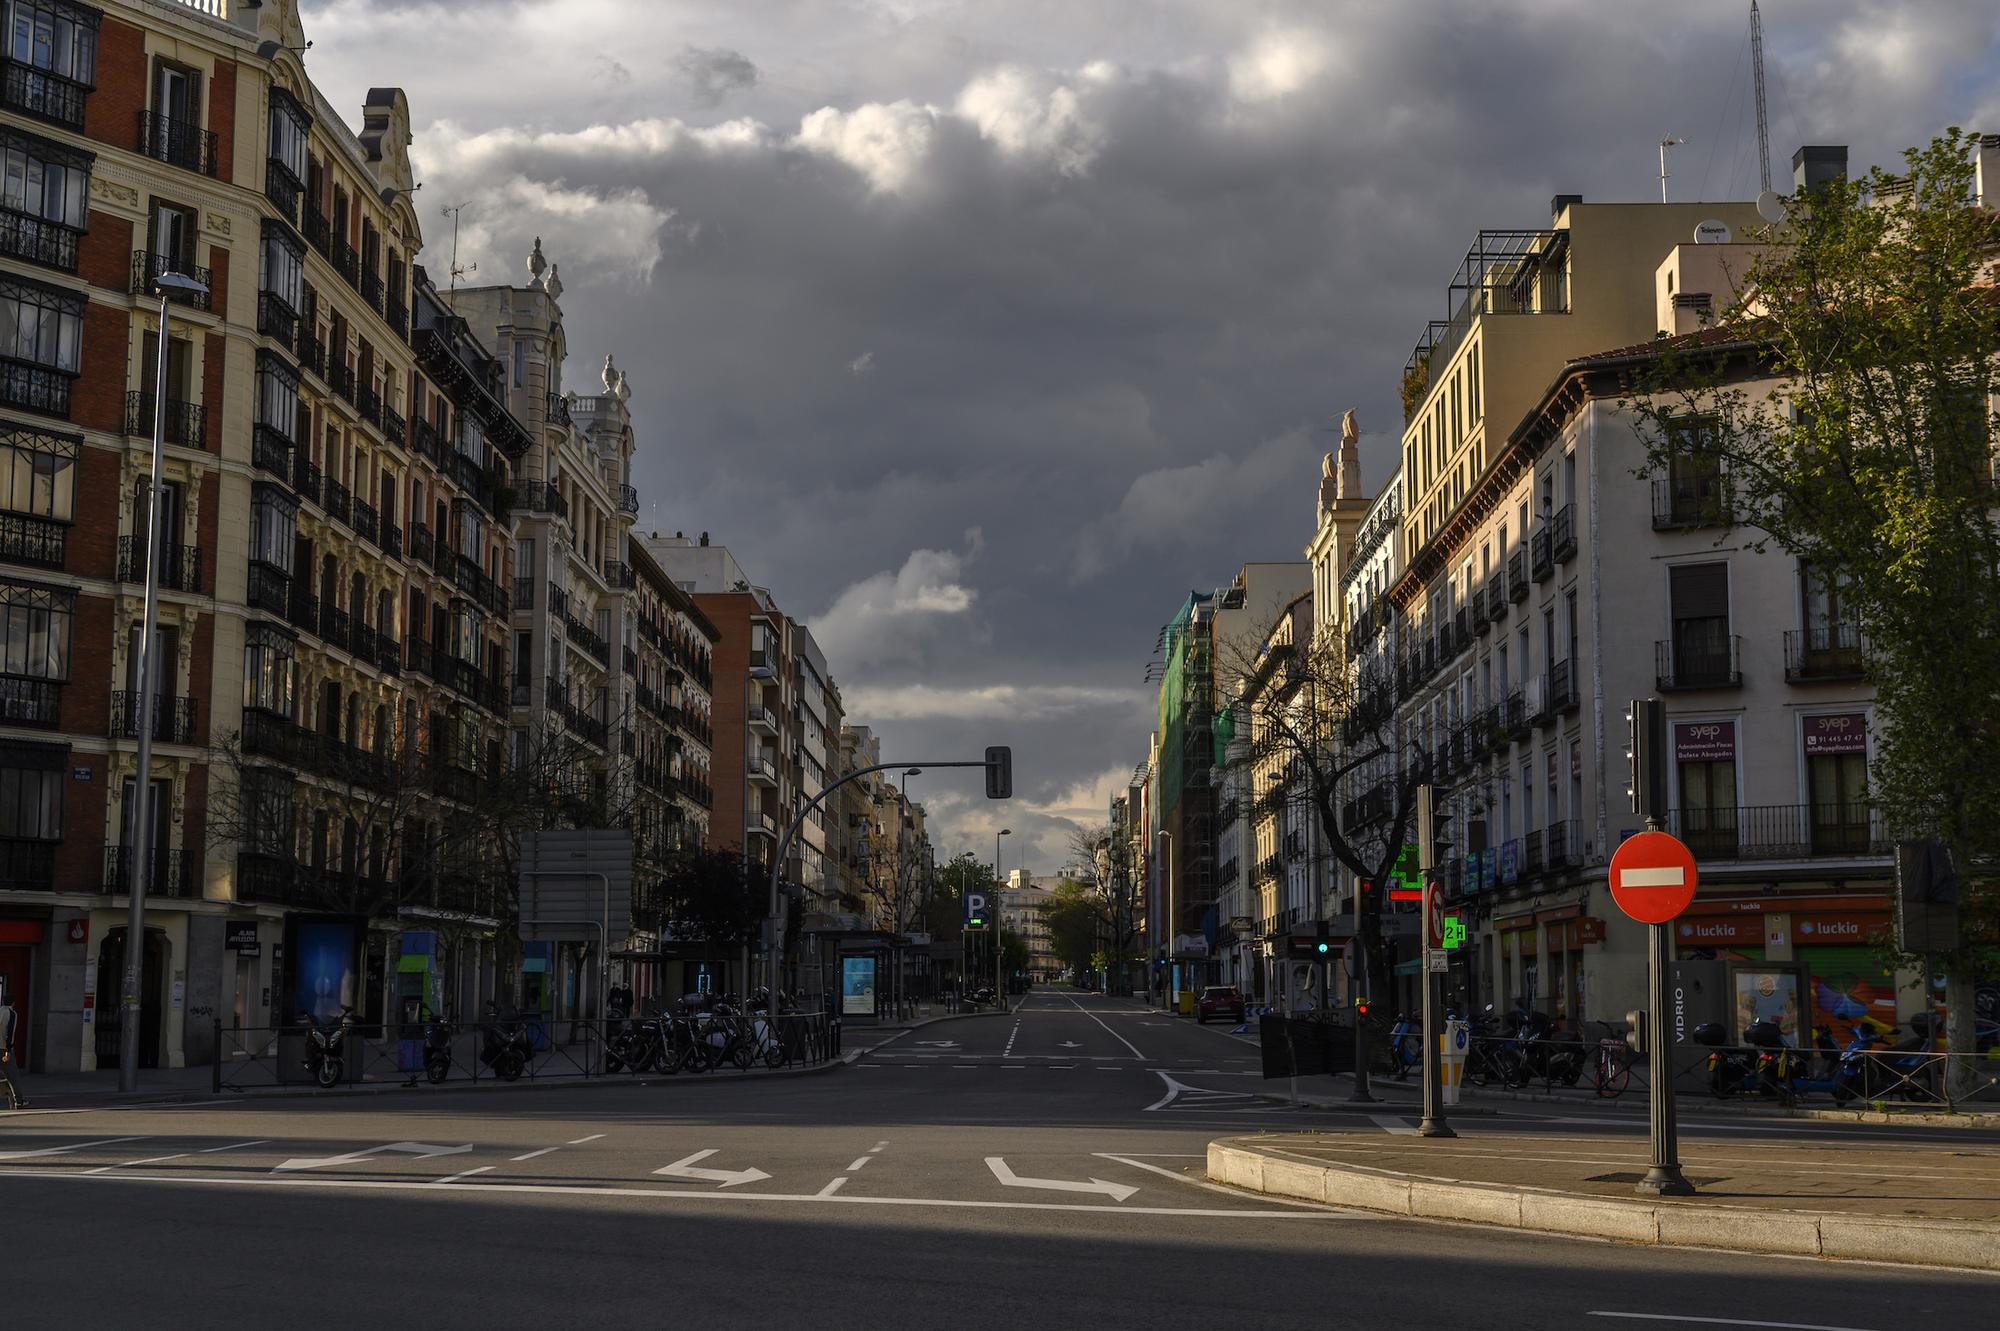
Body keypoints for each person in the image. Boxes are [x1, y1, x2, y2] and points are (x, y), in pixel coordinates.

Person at [0, 988, 26, 1109]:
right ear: (13, 1003)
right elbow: (10, 1033)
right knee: (12, 1076)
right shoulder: (12, 1014)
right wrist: (8, 1051)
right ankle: (19, 1101)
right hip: (3, 1049)